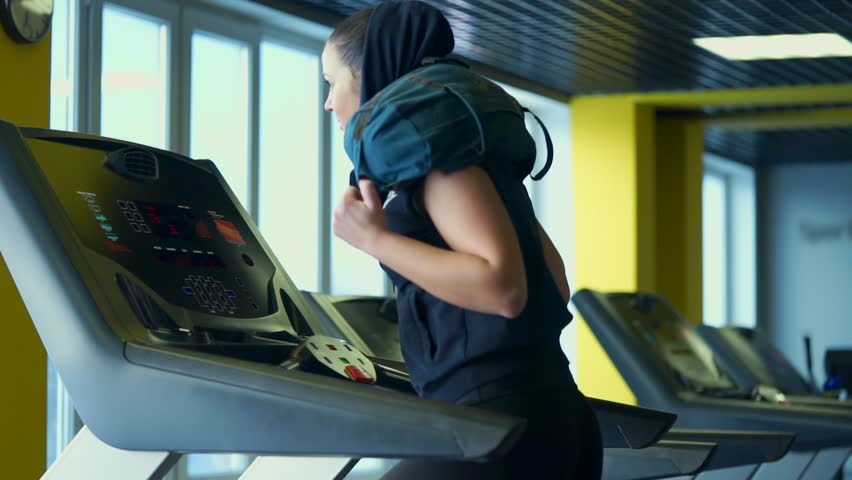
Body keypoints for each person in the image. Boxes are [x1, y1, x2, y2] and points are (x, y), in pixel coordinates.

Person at [321, 1, 602, 478]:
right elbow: (554, 286)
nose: (329, 103)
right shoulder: (480, 157)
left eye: (333, 84)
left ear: (368, 77)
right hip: (556, 416)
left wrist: (376, 241)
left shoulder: (437, 158)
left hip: (497, 423)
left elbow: (504, 289)